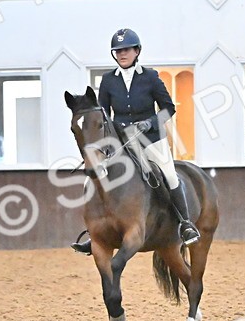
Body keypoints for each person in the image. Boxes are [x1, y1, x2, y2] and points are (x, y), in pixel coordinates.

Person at [72, 28, 201, 255]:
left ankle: (185, 224)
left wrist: (150, 123)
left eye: (126, 50)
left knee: (169, 174)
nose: (122, 54)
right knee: (92, 179)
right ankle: (95, 233)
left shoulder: (150, 77)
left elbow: (168, 108)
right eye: (118, 51)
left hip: (150, 139)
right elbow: (103, 114)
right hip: (120, 141)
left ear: (136, 51)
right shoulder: (108, 80)